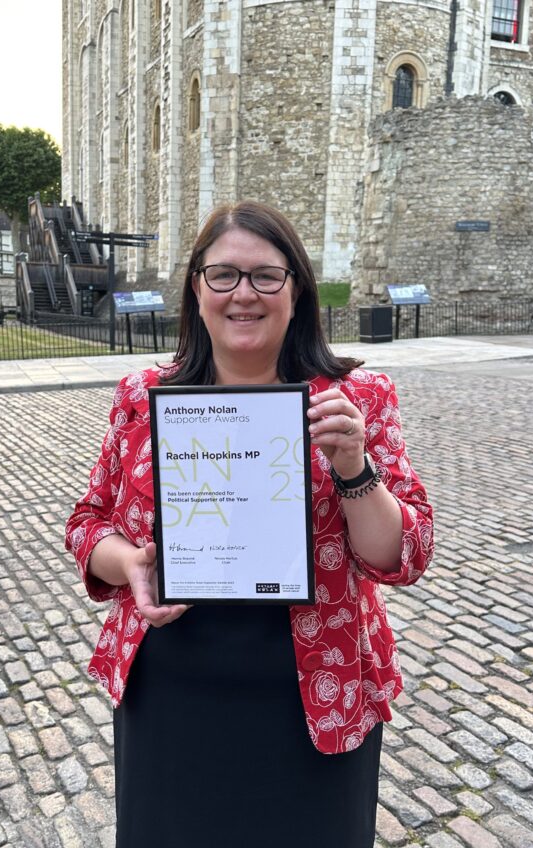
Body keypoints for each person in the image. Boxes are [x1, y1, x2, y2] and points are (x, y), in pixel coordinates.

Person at [65, 201, 434, 848]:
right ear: (196, 289)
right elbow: (88, 523)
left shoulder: (354, 400)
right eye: (223, 275)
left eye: (266, 276)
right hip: (173, 691)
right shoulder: (141, 395)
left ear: (296, 290)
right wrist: (131, 566)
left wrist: (353, 466)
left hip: (317, 697)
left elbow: (401, 556)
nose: (244, 294)